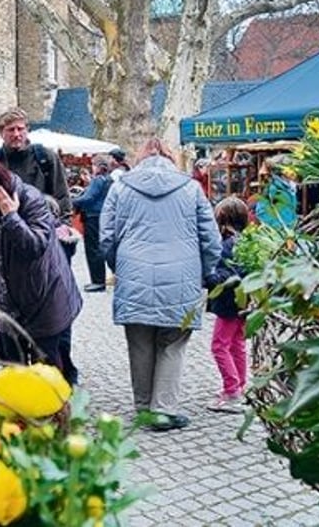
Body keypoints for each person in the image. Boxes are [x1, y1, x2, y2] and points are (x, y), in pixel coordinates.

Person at [100, 137, 222, 432]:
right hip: (182, 276)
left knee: (139, 343)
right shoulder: (191, 188)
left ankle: (143, 408)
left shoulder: (120, 188)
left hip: (134, 274)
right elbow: (212, 241)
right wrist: (204, 273)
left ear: (141, 158)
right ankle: (164, 409)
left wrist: (122, 267)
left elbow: (106, 238)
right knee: (172, 344)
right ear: (171, 158)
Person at [0, 155, 82, 373]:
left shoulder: (32, 199)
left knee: (47, 372)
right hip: (10, 299)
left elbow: (35, 246)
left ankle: (55, 405)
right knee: (13, 368)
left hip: (45, 298)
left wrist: (11, 217)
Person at [204, 197, 250, 413]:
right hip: (242, 301)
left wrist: (208, 277)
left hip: (228, 303)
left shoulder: (227, 245)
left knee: (219, 345)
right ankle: (240, 385)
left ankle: (232, 391)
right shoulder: (244, 241)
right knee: (236, 344)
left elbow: (226, 276)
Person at [0, 107, 73, 224]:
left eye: (20, 129)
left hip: (43, 226)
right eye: (11, 130)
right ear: (1, 133)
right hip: (7, 227)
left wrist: (65, 225)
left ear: (27, 130)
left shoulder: (45, 157)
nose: (16, 134)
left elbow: (62, 194)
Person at [72, 157, 112, 292]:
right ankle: (99, 280)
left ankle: (98, 281)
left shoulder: (97, 180)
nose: (92, 168)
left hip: (92, 216)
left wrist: (73, 201)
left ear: (98, 166)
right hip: (101, 215)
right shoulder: (108, 179)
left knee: (93, 249)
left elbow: (89, 198)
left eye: (93, 165)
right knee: (98, 247)